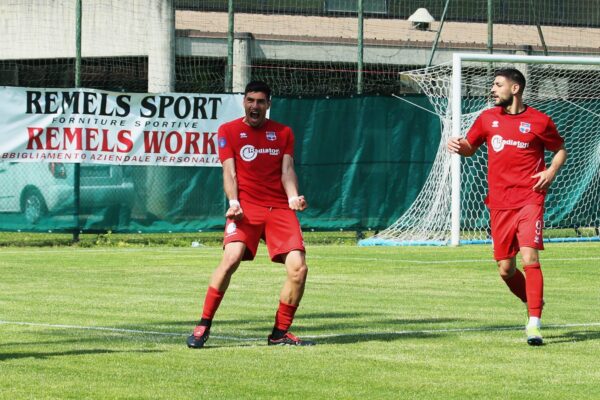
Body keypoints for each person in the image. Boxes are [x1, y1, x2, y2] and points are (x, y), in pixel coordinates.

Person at [187, 81, 314, 348]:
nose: (254, 106)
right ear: (244, 102)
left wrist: (293, 197)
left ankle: (279, 333)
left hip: (279, 209)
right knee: (231, 259)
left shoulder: (283, 132)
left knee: (299, 270)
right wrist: (234, 202)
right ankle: (203, 324)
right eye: (250, 100)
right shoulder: (228, 131)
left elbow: (287, 170)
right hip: (246, 209)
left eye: (260, 101)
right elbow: (228, 172)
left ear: (268, 105)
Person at [447, 68, 567, 346]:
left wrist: (550, 172)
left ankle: (534, 324)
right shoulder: (487, 119)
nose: (492, 89)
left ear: (515, 89)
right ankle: (533, 301)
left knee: (530, 259)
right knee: (505, 269)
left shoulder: (539, 121)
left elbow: (560, 149)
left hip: (530, 198)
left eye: (498, 84)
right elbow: (470, 147)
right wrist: (458, 145)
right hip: (499, 203)